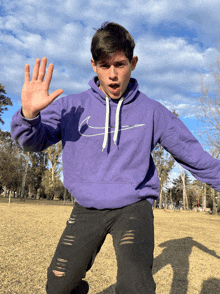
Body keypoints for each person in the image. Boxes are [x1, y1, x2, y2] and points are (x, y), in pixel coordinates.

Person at [11, 22, 220, 294]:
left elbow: (196, 158)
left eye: (119, 64)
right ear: (93, 65)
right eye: (104, 65)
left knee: (136, 286)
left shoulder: (153, 112)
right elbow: (32, 142)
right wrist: (29, 115)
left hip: (133, 207)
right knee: (59, 284)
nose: (112, 75)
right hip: (87, 206)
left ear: (133, 63)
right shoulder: (70, 106)